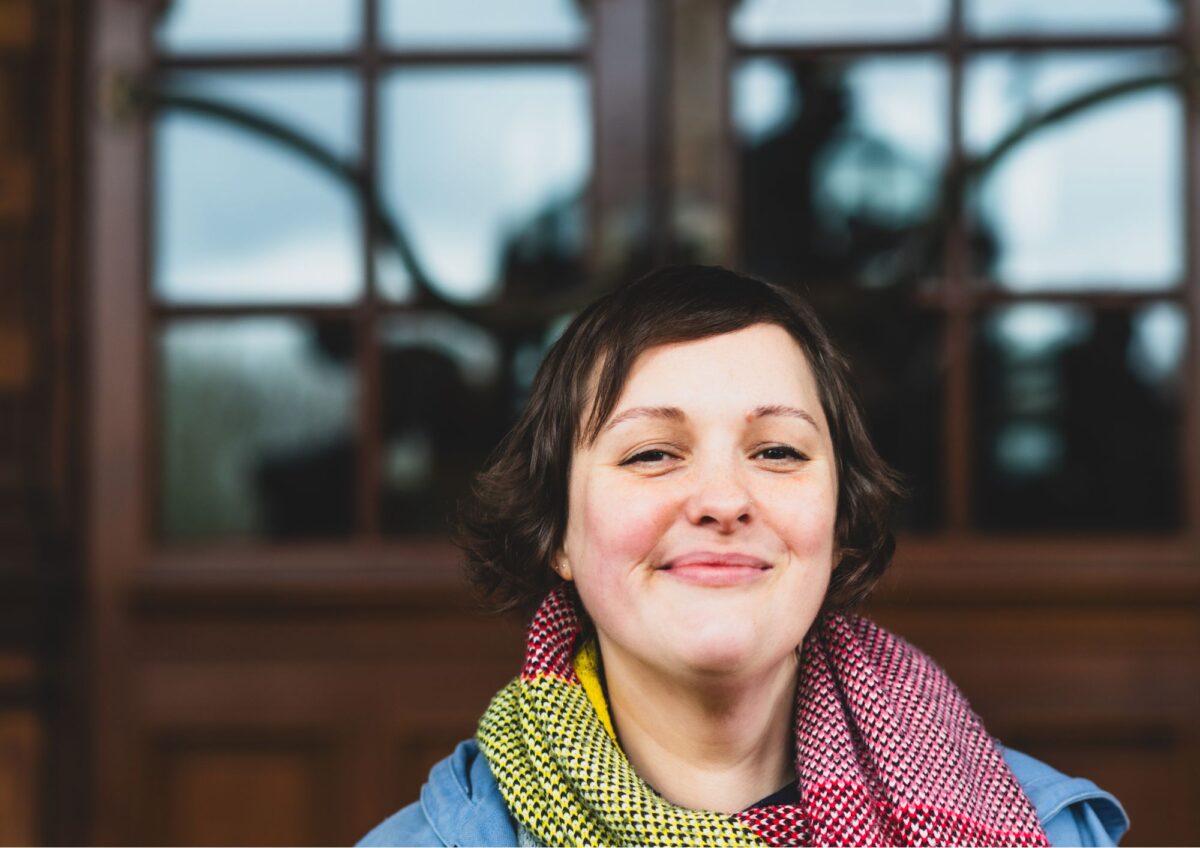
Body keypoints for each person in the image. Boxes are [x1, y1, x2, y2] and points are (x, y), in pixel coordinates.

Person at [360, 266, 1128, 847]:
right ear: (556, 531)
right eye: (654, 453)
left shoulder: (1050, 829)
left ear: (836, 515)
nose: (724, 499)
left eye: (778, 450)